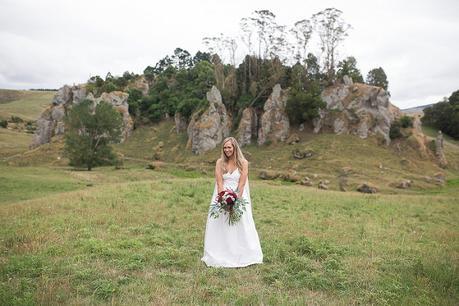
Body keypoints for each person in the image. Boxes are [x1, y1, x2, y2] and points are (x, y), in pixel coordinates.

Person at [201, 137, 263, 268]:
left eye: (229, 147)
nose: (227, 150)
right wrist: (223, 199)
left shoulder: (243, 162)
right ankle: (221, 252)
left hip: (238, 195)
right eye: (224, 147)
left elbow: (242, 183)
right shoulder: (219, 162)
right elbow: (219, 182)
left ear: (234, 147)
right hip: (222, 194)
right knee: (220, 224)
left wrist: (235, 200)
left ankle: (243, 253)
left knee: (241, 223)